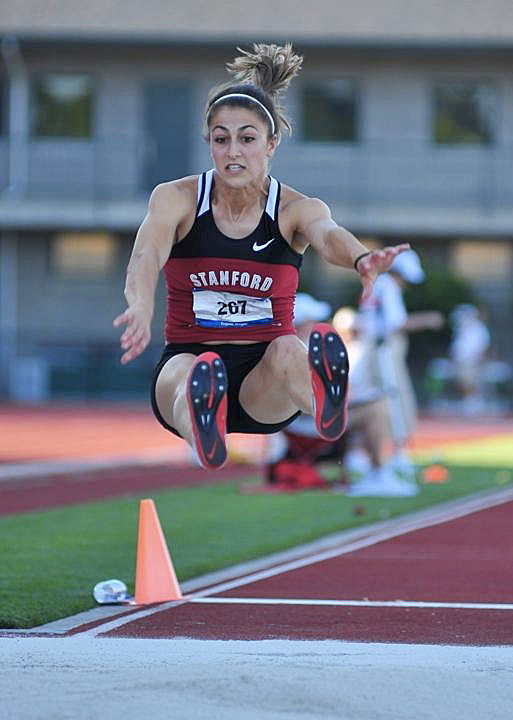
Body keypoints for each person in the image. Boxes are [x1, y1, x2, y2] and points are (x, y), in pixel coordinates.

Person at [113, 42, 410, 470]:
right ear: (209, 144)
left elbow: (328, 237)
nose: (234, 151)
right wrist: (140, 305)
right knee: (189, 371)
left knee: (290, 349)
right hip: (190, 355)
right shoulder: (176, 199)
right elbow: (146, 253)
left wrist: (362, 258)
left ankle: (322, 397)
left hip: (263, 378)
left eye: (247, 139)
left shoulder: (294, 208)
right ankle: (202, 421)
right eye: (222, 139)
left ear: (271, 144)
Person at [359, 249, 443, 478]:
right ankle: (396, 453)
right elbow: (395, 323)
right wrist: (427, 319)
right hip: (384, 349)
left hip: (374, 348)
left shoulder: (378, 284)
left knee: (378, 400)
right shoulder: (387, 287)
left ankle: (375, 453)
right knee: (395, 400)